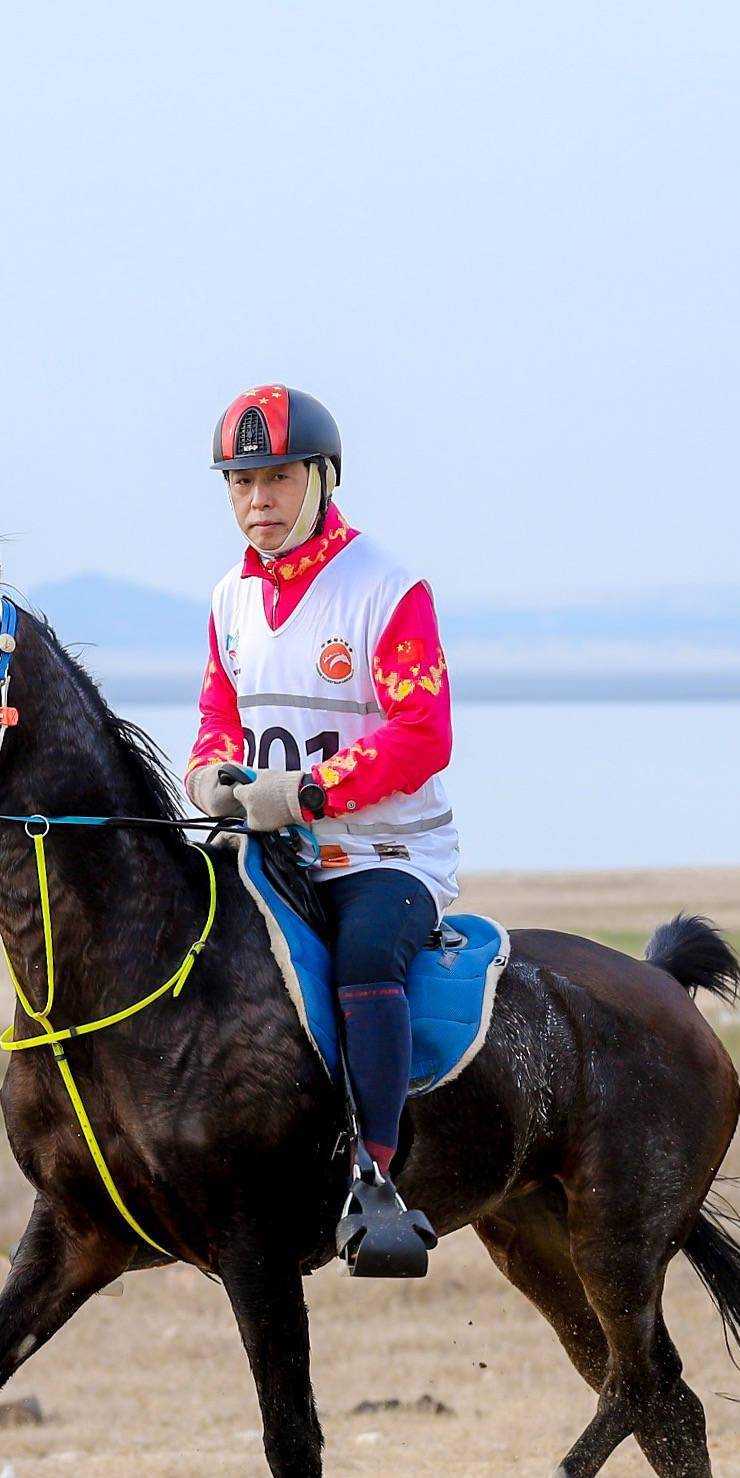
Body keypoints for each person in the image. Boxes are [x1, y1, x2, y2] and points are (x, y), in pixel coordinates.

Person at [184, 385, 460, 1270]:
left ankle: (375, 1180)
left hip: (384, 852)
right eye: (241, 483)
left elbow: (422, 734)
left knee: (364, 959)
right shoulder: (228, 597)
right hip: (274, 848)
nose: (257, 500)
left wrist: (306, 793)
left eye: (277, 478)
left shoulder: (387, 588)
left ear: (322, 478)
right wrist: (209, 772)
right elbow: (218, 715)